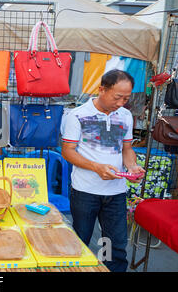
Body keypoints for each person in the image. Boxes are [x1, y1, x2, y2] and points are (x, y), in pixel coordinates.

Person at [61, 69, 145, 272]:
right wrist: (96, 167)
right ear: (101, 90)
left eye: (126, 98)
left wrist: (132, 166)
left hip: (115, 192)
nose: (121, 103)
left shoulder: (125, 116)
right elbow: (67, 152)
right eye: (117, 97)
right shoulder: (77, 115)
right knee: (81, 239)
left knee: (113, 244)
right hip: (85, 191)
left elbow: (126, 149)